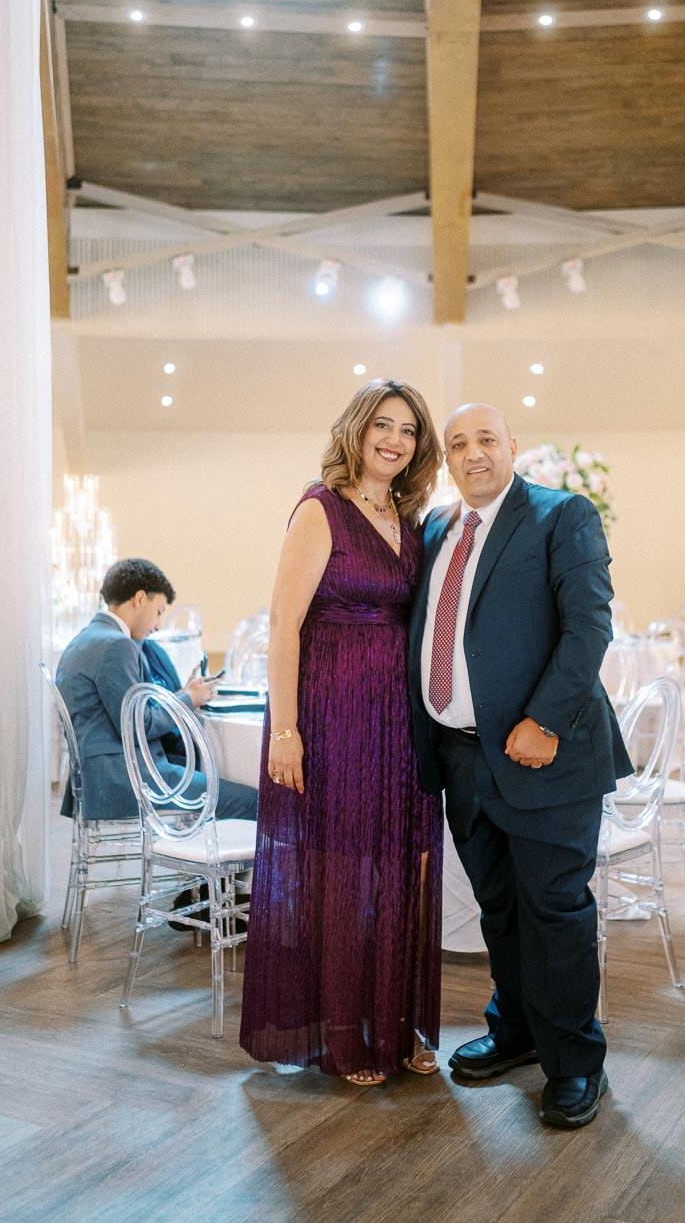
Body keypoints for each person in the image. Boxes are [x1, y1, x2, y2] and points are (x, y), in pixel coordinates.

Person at [408, 404, 633, 1129]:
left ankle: (574, 1061)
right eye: (457, 444)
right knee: (498, 906)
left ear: (513, 446)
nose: (472, 453)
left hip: (544, 755)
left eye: (485, 439)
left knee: (554, 909)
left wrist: (545, 722)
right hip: (461, 757)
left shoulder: (561, 515)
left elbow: (589, 626)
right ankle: (517, 1032)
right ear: (446, 459)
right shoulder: (436, 528)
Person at [239, 379, 444, 1086]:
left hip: (400, 722)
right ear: (356, 430)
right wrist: (285, 731)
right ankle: (339, 1032)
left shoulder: (409, 519)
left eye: (409, 430)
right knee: (342, 872)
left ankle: (393, 1020)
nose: (395, 440)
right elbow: (282, 625)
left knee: (401, 868)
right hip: (332, 718)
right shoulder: (320, 508)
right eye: (383, 424)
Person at [57, 558, 257, 823]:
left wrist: (180, 696)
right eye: (159, 611)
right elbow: (137, 726)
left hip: (103, 779)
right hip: (130, 783)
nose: (158, 624)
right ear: (140, 599)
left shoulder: (85, 639)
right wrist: (188, 699)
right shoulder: (117, 646)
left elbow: (127, 714)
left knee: (216, 780)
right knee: (254, 801)